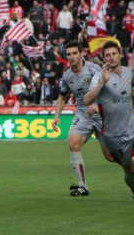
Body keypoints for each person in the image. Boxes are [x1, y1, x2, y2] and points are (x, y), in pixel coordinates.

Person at [84, 41, 134, 203]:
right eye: (107, 55)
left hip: (132, 125)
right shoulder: (99, 76)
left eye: (114, 53)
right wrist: (103, 82)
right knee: (130, 169)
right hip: (114, 135)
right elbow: (87, 99)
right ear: (104, 58)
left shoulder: (127, 72)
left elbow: (131, 90)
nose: (111, 57)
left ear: (120, 54)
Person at [52, 41, 115, 197]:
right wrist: (56, 116)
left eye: (74, 53)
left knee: (111, 157)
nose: (71, 57)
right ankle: (82, 186)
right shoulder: (67, 76)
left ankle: (132, 151)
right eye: (68, 54)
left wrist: (99, 104)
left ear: (81, 54)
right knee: (73, 142)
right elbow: (62, 97)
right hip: (82, 113)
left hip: (101, 113)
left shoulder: (94, 69)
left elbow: (110, 89)